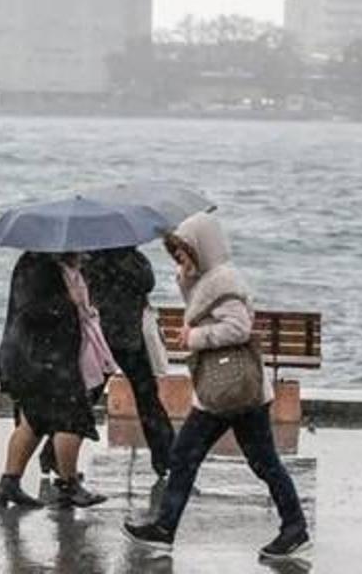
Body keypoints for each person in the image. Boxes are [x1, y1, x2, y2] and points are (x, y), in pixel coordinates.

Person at [123, 213, 311, 559]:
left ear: (202, 247)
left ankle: (166, 529)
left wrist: (195, 337)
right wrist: (186, 279)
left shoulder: (223, 282)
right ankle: (293, 526)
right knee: (254, 460)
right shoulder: (209, 279)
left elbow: (239, 328)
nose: (178, 257)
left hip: (229, 389)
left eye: (183, 251)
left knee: (194, 456)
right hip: (231, 390)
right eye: (176, 252)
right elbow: (202, 308)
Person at [0, 251, 114, 509]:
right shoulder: (37, 266)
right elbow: (31, 310)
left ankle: (9, 483)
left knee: (33, 423)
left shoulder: (60, 265)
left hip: (44, 357)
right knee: (71, 421)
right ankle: (69, 485)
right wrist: (68, 302)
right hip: (41, 359)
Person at [79, 246, 174, 477]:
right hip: (128, 339)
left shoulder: (91, 257)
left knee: (88, 397)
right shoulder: (133, 260)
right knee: (148, 400)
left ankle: (53, 454)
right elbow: (148, 282)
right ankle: (166, 459)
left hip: (102, 337)